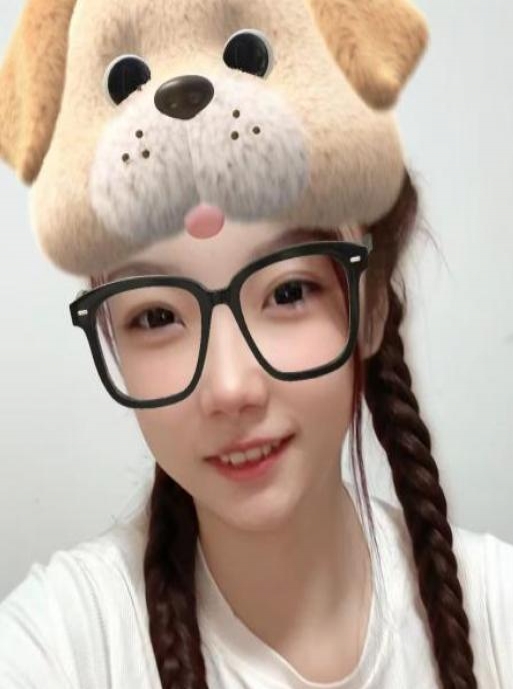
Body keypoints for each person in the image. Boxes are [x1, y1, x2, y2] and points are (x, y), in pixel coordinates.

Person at [0, 0, 512, 687]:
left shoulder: (497, 610)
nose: (230, 388)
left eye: (288, 291)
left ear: (370, 309)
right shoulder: (64, 644)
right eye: (156, 316)